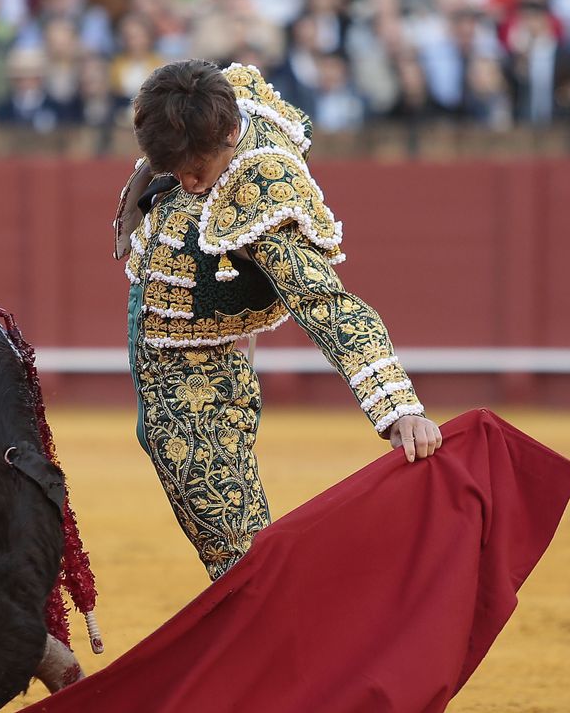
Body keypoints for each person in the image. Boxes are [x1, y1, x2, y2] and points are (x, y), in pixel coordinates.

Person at [115, 60, 440, 580]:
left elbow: (325, 304)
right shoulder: (220, 99)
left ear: (226, 135)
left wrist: (397, 406)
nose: (188, 183)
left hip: (197, 378)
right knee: (237, 549)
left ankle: (306, 649)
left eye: (196, 166)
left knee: (240, 558)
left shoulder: (261, 195)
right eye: (173, 169)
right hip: (179, 355)